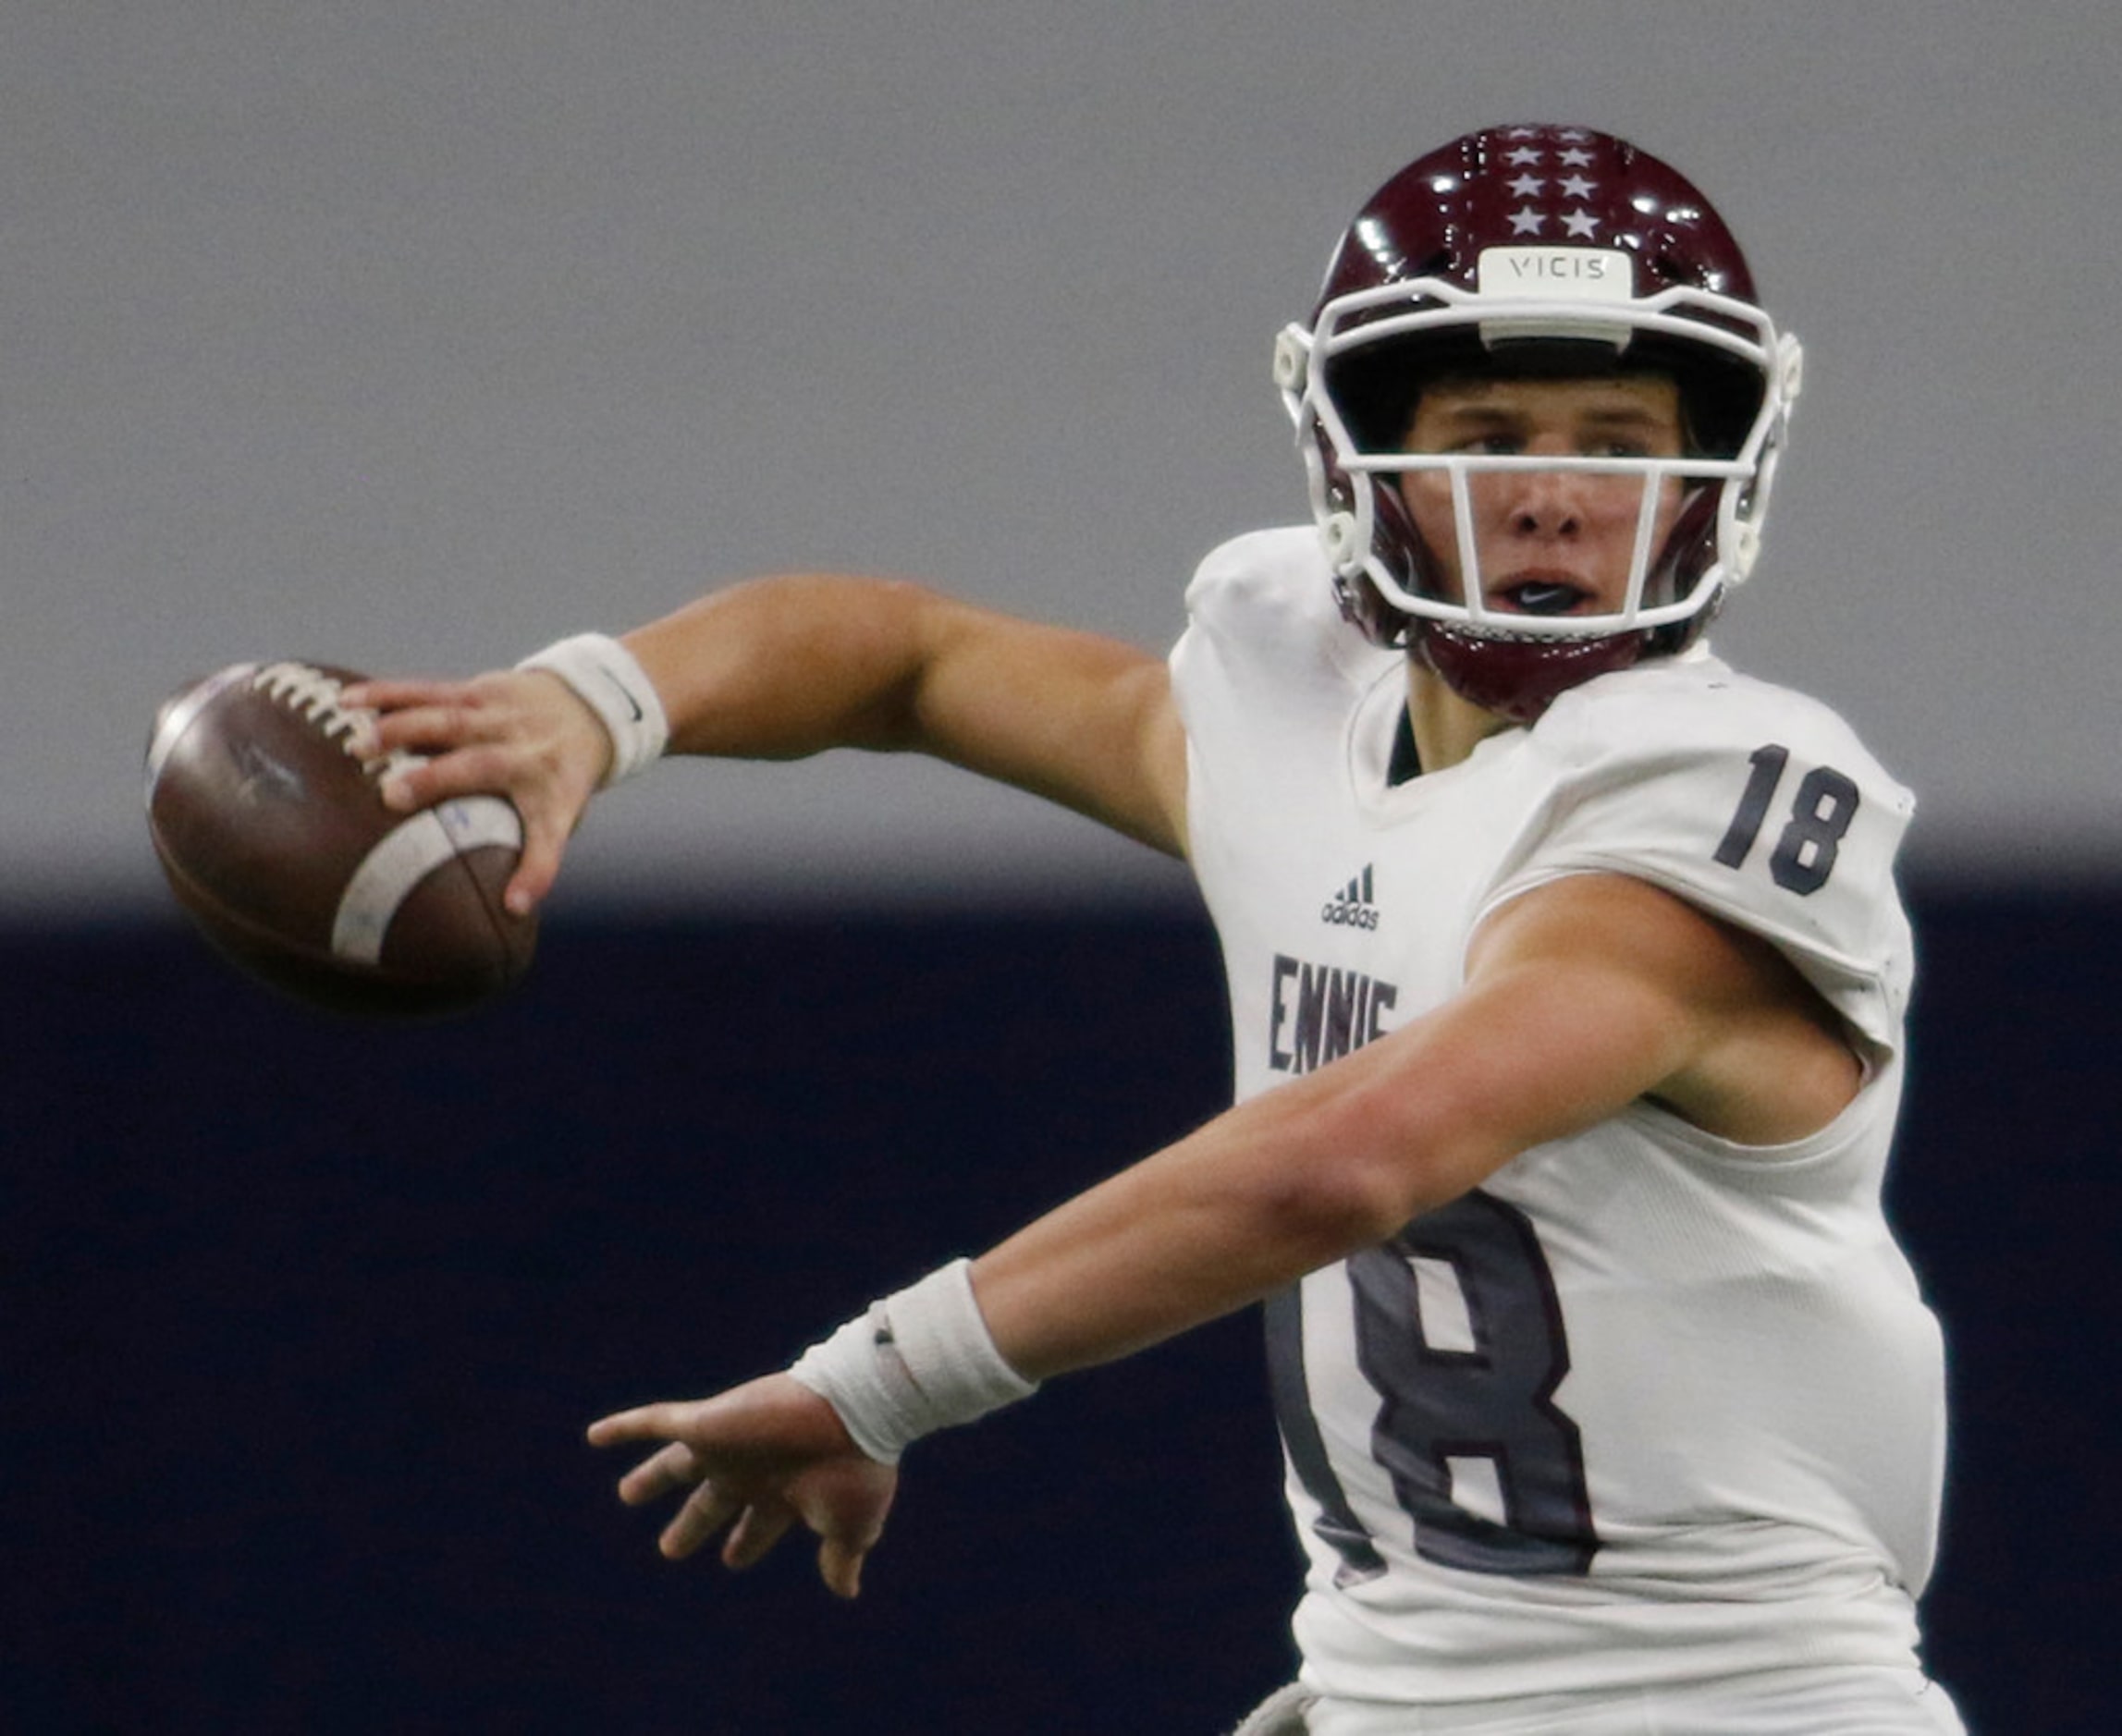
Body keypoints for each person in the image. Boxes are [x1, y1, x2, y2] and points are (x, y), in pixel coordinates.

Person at [345, 125, 1962, 1734]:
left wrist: (879, 1380)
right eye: (1484, 432)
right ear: (1358, 463)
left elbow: (1351, 1154)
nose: (1548, 499)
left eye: (1615, 442)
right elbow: (904, 661)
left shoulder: (1715, 785)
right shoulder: (1295, 708)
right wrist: (590, 704)